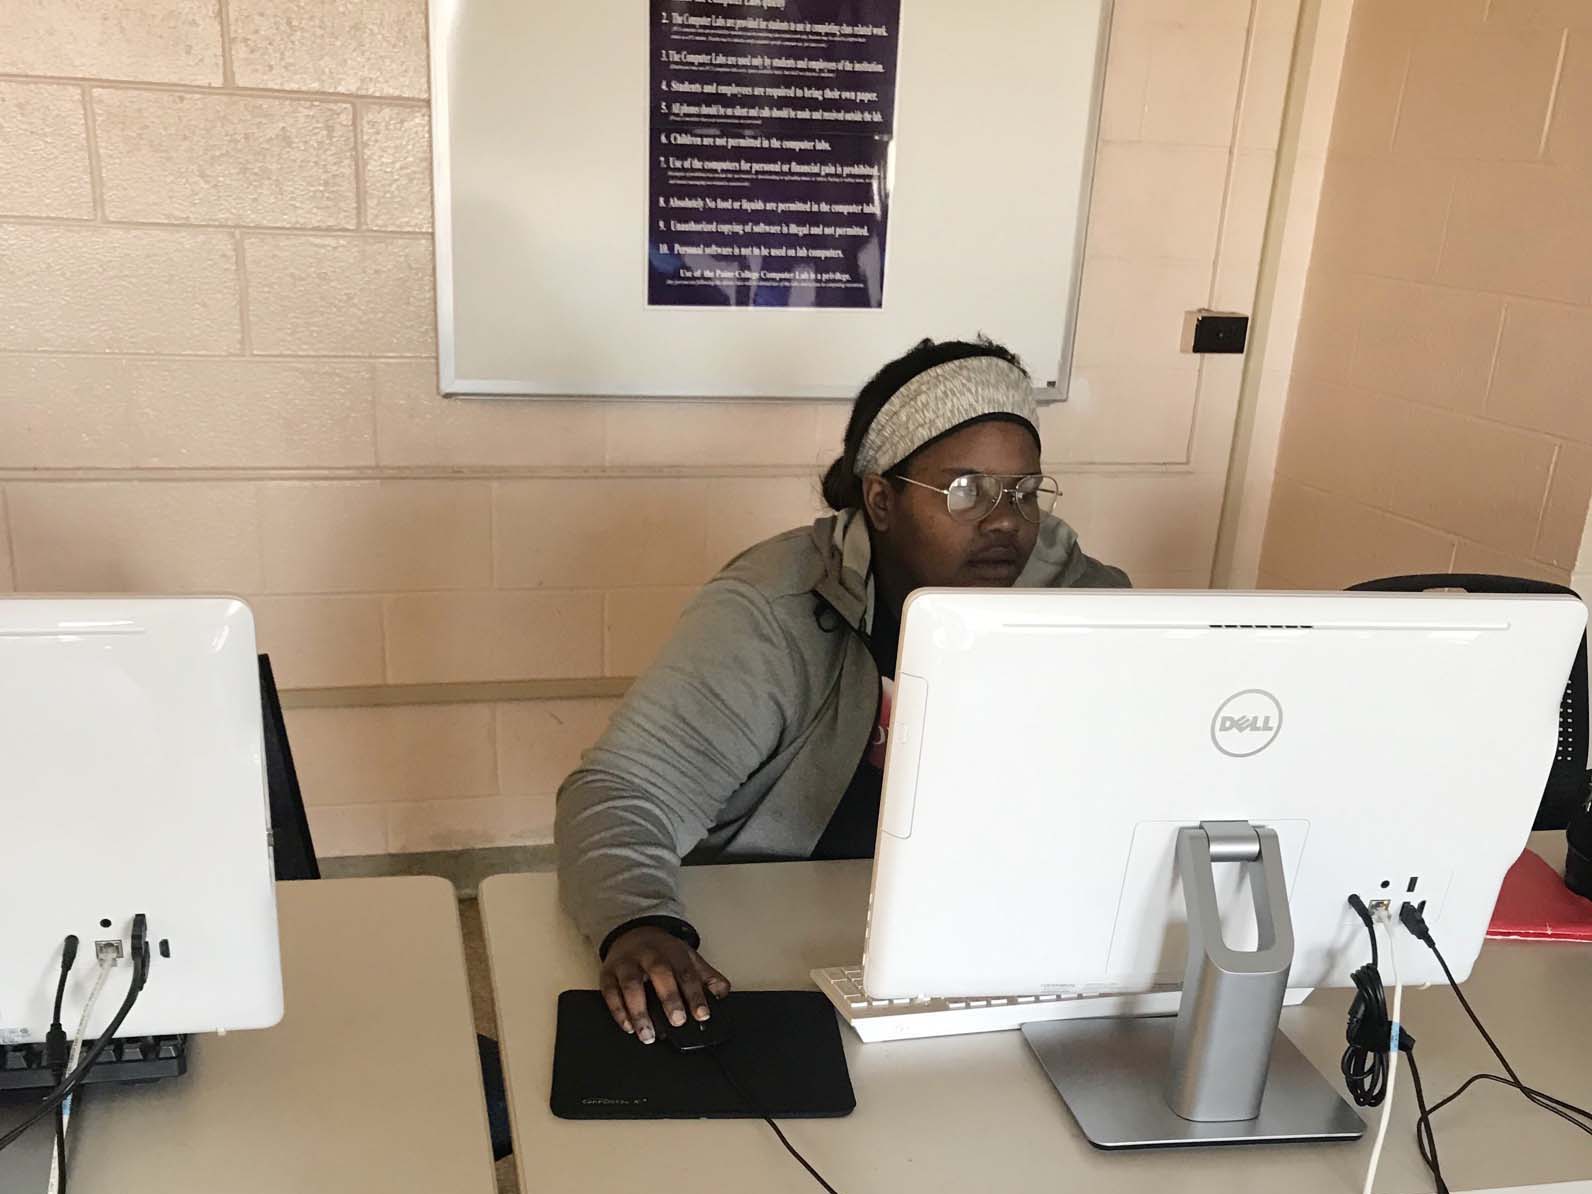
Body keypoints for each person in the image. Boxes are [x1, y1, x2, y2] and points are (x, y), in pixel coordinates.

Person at [555, 336, 1128, 1042]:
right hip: (770, 926)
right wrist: (639, 921)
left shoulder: (1094, 609)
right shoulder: (772, 607)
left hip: (981, 934)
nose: (1005, 519)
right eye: (965, 490)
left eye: (1022, 490)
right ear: (881, 500)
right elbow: (624, 790)